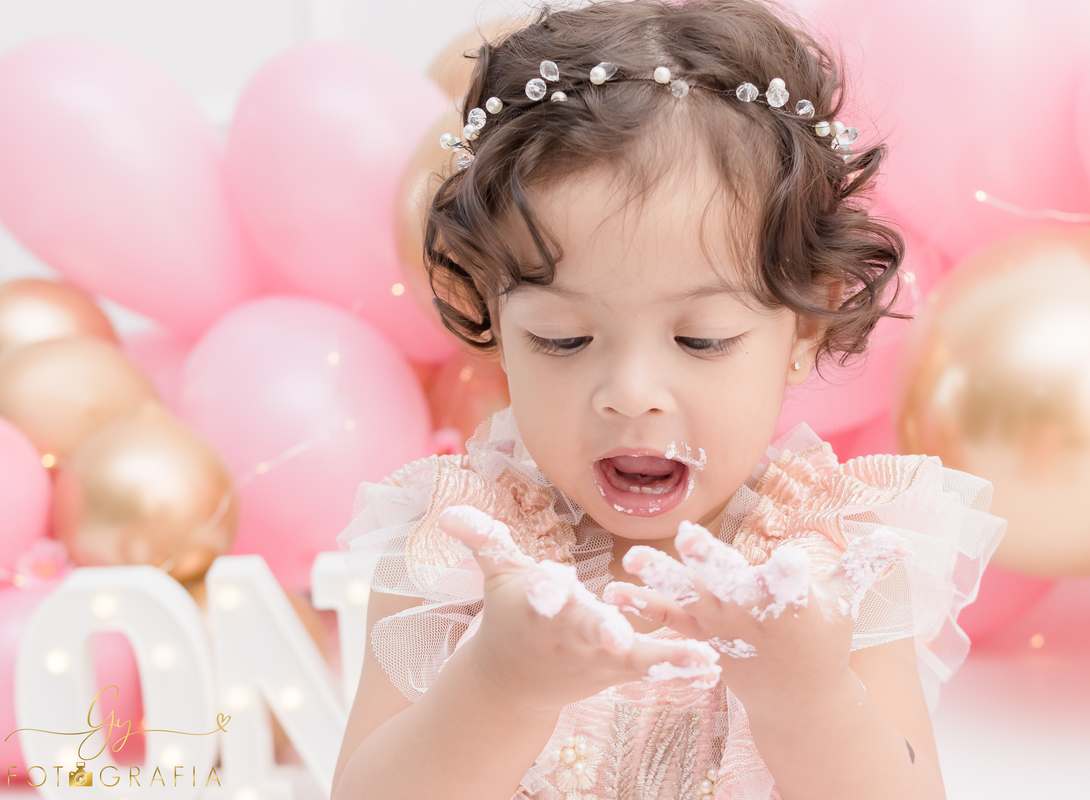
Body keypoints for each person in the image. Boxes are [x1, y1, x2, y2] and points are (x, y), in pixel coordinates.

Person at [331, 1, 1005, 797]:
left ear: (804, 328)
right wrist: (496, 688)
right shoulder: (461, 549)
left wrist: (809, 698)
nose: (631, 395)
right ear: (497, 322)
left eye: (701, 340)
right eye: (563, 339)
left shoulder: (825, 562)